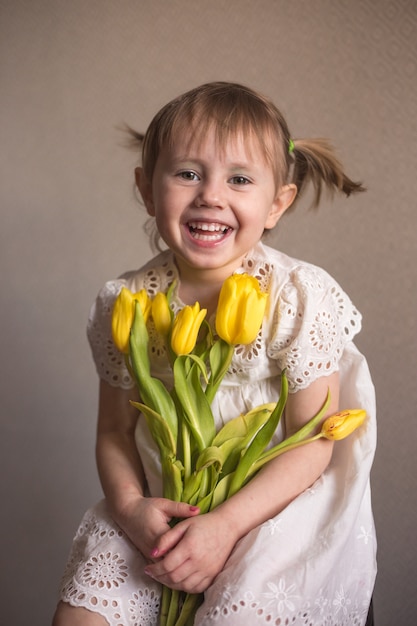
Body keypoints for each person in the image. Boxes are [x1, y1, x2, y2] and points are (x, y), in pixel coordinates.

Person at [52, 82, 377, 626]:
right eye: (187, 173)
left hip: (269, 510)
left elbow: (316, 442)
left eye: (240, 180)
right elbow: (113, 431)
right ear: (147, 190)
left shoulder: (294, 296)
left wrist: (226, 525)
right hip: (157, 510)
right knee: (83, 614)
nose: (210, 195)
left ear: (277, 204)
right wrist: (132, 510)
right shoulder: (127, 304)